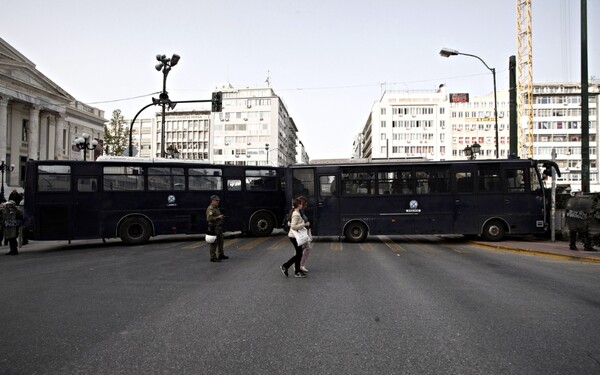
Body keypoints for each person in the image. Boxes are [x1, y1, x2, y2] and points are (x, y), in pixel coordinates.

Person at [280, 198, 308, 278]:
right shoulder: (296, 213)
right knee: (299, 254)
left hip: (294, 236)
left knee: (299, 254)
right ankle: (286, 266)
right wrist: (304, 224)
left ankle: (297, 271)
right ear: (298, 205)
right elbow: (293, 226)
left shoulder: (296, 212)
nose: (302, 205)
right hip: (294, 236)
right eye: (301, 204)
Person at [206, 195, 228, 262]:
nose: (218, 202)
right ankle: (213, 257)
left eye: (218, 200)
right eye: (216, 200)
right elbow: (209, 218)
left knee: (221, 242)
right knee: (214, 243)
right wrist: (218, 217)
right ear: (212, 201)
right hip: (214, 228)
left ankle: (221, 254)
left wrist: (220, 217)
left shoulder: (216, 208)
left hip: (219, 228)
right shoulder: (210, 209)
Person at [297, 196, 312, 273]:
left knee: (303, 249)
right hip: (300, 234)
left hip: (303, 233)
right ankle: (300, 266)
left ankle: (299, 265)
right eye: (305, 204)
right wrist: (305, 224)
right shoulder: (297, 213)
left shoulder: (301, 211)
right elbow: (294, 224)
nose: (306, 206)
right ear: (301, 204)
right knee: (307, 248)